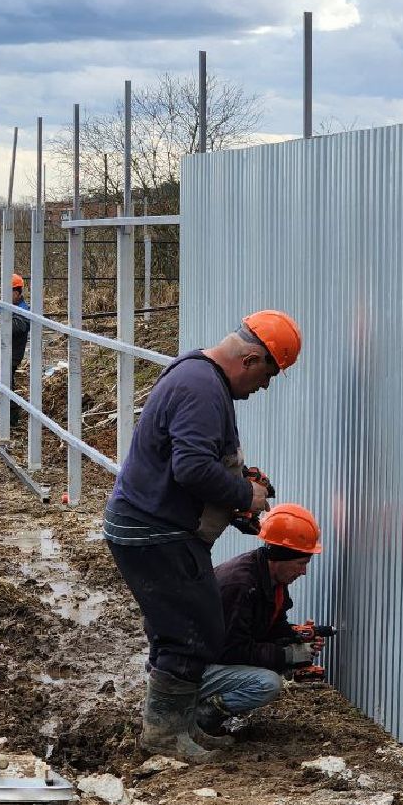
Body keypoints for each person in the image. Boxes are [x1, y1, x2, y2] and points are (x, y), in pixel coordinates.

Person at [103, 309, 303, 762]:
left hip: (153, 526)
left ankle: (181, 724)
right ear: (250, 360)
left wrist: (235, 499)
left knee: (188, 626)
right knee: (190, 633)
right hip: (154, 532)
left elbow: (195, 465)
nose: (264, 387)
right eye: (267, 376)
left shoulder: (199, 378)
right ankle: (164, 736)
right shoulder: (201, 389)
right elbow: (191, 468)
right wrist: (245, 496)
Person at [196, 503, 326, 738]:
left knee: (276, 667)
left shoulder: (271, 580)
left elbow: (271, 627)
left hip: (209, 660)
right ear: (282, 558)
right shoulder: (241, 585)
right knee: (268, 683)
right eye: (302, 563)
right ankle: (201, 715)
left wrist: (295, 638)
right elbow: (231, 650)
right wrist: (288, 655)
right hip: (191, 669)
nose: (304, 572)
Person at [0, 273, 30, 422]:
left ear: (17, 293)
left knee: (4, 385)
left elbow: (17, 326)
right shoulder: (5, 306)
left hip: (10, 354)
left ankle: (11, 419)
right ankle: (5, 416)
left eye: (8, 292)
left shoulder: (23, 309)